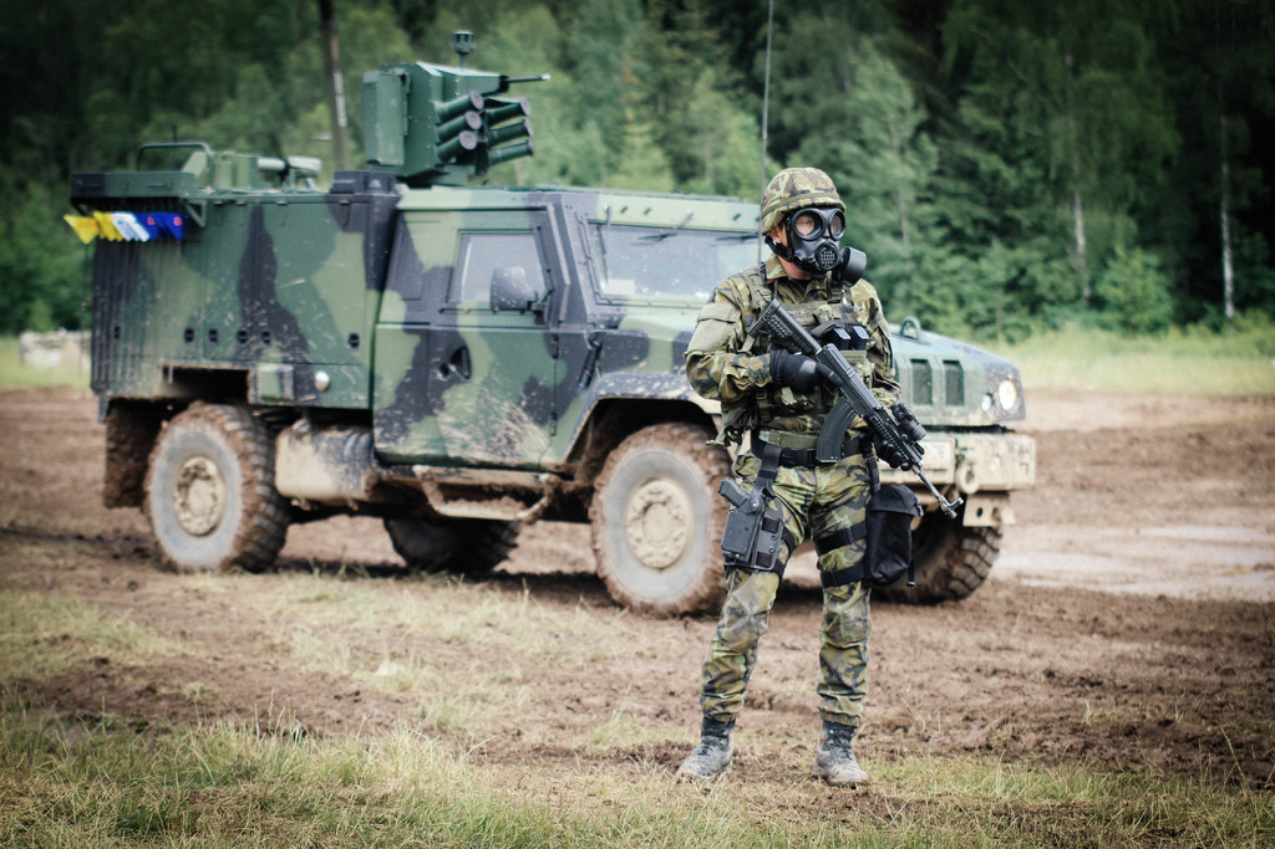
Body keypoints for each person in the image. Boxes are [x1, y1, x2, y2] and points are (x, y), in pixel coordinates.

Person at [676, 167, 901, 786]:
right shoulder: (744, 294)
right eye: (807, 220)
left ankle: (838, 747)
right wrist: (776, 367)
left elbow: (884, 378)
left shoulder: (860, 297)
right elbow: (700, 370)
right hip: (776, 474)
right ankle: (714, 742)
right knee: (745, 610)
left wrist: (889, 416)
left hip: (849, 477)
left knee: (849, 612)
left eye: (831, 220)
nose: (821, 234)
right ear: (777, 231)